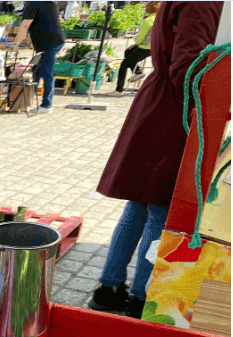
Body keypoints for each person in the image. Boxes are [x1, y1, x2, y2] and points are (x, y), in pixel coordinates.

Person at [90, 1, 222, 318]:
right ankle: (139, 297)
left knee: (139, 205)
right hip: (171, 112)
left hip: (161, 105)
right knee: (157, 208)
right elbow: (188, 69)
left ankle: (109, 289)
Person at [13, 2, 64, 114]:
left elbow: (25, 25)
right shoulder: (45, 3)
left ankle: (46, 105)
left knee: (47, 73)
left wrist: (16, 44)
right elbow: (40, 23)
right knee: (37, 71)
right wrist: (31, 42)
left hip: (50, 43)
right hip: (49, 42)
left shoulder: (33, 4)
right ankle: (28, 101)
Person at [115, 0, 158, 92]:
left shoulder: (148, 21)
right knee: (128, 51)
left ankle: (119, 89)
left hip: (146, 47)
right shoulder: (160, 19)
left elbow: (141, 38)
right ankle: (138, 71)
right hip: (156, 47)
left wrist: (136, 43)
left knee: (123, 65)